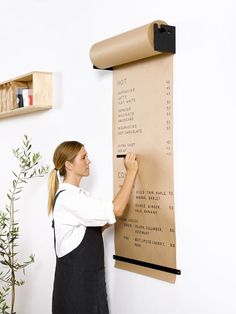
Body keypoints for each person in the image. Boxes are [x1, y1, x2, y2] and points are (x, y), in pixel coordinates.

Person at [48, 140, 138, 314]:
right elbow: (116, 209)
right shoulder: (69, 199)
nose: (89, 161)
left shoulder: (80, 196)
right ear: (69, 165)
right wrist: (132, 172)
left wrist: (106, 219)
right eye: (83, 157)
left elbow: (96, 225)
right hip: (75, 290)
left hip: (89, 284)